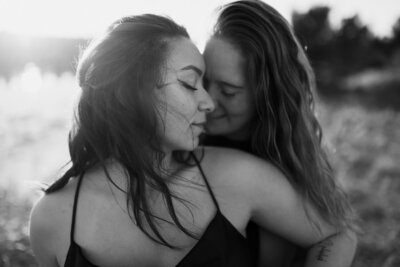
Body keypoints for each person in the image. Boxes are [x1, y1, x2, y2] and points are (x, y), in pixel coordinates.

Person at [30, 13, 357, 267]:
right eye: (191, 83)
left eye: (226, 90)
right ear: (128, 93)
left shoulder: (238, 176)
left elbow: (333, 233)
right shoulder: (51, 219)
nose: (209, 102)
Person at [202, 0, 358, 266]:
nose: (207, 100)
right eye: (202, 80)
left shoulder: (291, 158)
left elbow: (340, 231)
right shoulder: (185, 139)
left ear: (267, 96)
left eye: (228, 91)